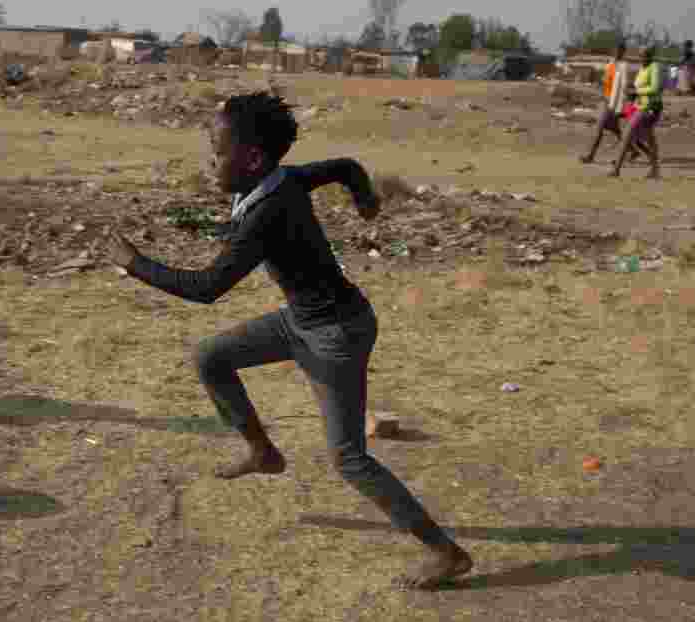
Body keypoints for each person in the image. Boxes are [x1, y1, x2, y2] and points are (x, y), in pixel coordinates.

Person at [102, 91, 474, 589]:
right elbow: (345, 165)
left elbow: (208, 288)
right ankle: (263, 453)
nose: (210, 162)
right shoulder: (279, 182)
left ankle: (445, 553)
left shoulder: (268, 210)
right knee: (210, 356)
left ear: (252, 157)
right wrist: (364, 199)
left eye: (217, 152)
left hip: (336, 334)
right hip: (302, 320)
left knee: (348, 458)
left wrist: (135, 265)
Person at [611, 46, 663, 178]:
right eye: (640, 55)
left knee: (627, 135)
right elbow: (638, 87)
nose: (642, 58)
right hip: (639, 106)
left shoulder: (654, 67)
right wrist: (630, 93)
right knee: (650, 140)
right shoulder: (642, 69)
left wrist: (636, 91)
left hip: (650, 108)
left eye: (644, 55)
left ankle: (616, 169)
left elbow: (655, 88)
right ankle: (655, 170)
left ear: (650, 55)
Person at [580, 42, 630, 164]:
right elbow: (605, 81)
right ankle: (631, 150)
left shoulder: (623, 66)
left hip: (613, 102)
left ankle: (590, 155)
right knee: (615, 129)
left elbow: (623, 86)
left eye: (619, 50)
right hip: (606, 99)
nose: (617, 52)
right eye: (615, 50)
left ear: (623, 52)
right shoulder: (610, 64)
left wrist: (621, 103)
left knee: (600, 127)